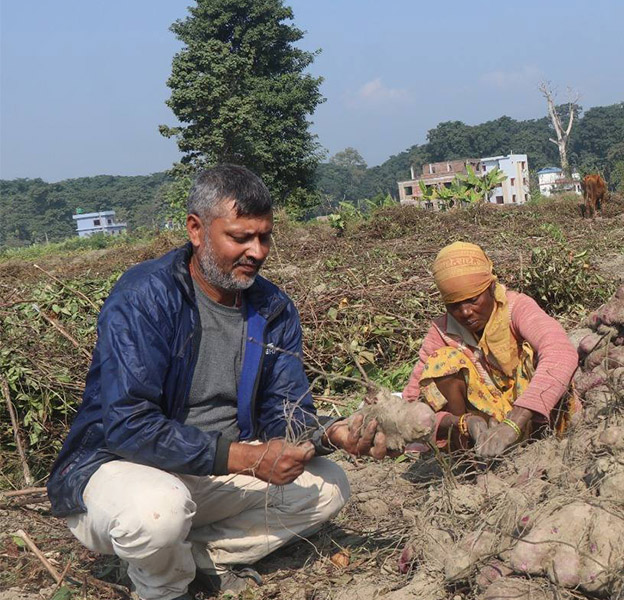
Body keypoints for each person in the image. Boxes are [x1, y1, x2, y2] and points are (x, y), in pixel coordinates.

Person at [47, 165, 387, 600]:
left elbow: (284, 413)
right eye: (240, 237)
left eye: (264, 237)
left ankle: (199, 562)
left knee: (328, 486)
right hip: (122, 470)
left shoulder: (273, 308)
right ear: (196, 229)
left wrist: (333, 432)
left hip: (213, 471)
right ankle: (165, 587)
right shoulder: (145, 297)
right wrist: (245, 458)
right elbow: (128, 426)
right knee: (156, 511)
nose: (257, 251)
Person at [400, 242, 578, 457]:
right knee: (443, 362)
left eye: (473, 300)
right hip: (485, 432)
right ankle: (466, 459)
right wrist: (462, 423)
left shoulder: (516, 308)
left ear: (491, 288)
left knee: (538, 353)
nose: (465, 312)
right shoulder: (441, 331)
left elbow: (561, 352)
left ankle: (538, 448)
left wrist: (514, 422)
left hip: (539, 418)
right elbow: (411, 403)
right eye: (454, 305)